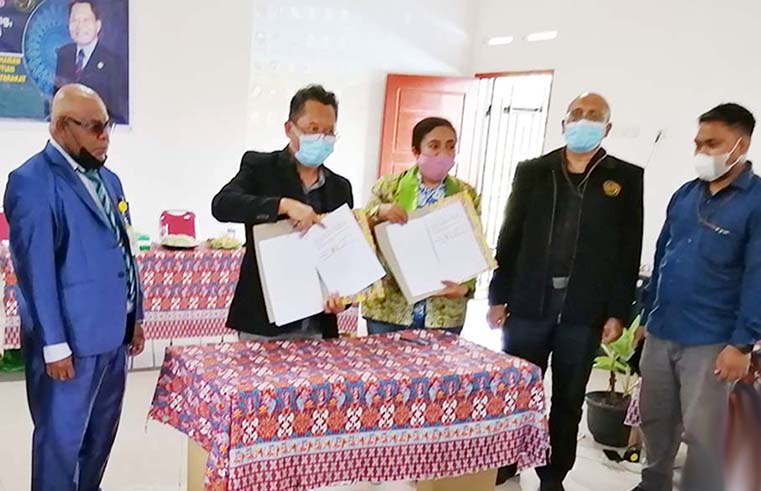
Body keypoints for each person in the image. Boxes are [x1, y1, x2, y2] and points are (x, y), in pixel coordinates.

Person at [487, 93, 644, 491]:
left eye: (594, 115)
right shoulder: (534, 172)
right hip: (529, 303)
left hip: (584, 310)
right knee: (518, 392)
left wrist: (617, 311)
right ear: (564, 123)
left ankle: (553, 474)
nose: (583, 120)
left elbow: (628, 251)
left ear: (607, 127)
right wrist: (498, 295)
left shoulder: (625, 178)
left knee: (569, 399)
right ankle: (506, 463)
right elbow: (510, 236)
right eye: (577, 113)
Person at [4, 84, 144, 491]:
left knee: (99, 440)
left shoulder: (109, 180)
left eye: (108, 126)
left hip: (113, 337)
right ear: (61, 127)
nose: (105, 137)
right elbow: (35, 272)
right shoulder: (32, 182)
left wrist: (135, 316)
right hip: (69, 344)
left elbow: (124, 249)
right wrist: (54, 345)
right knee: (60, 446)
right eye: (94, 127)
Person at [633, 103, 761, 491]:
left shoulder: (755, 203)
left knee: (704, 432)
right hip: (662, 330)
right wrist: (645, 318)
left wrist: (741, 344)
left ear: (741, 145)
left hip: (711, 341)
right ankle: (653, 483)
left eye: (712, 144)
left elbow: (757, 278)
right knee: (655, 419)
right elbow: (662, 256)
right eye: (698, 143)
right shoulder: (686, 195)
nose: (702, 152)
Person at [212, 84, 352, 341]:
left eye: (329, 131)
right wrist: (283, 205)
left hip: (318, 325)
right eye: (313, 129)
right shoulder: (260, 167)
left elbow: (342, 253)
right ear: (290, 129)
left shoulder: (340, 187)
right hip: (264, 322)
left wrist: (343, 298)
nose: (322, 138)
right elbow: (222, 205)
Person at [362, 117, 480, 335]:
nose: (443, 154)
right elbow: (360, 234)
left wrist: (465, 289)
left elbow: (474, 247)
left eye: (450, 146)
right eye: (434, 146)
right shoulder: (388, 187)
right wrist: (378, 212)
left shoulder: (466, 194)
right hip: (390, 307)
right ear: (416, 151)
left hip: (444, 311)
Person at [55, 1, 128, 124]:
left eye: (86, 20)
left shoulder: (112, 62)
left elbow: (118, 111)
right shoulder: (64, 54)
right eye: (74, 20)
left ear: (98, 25)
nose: (79, 26)